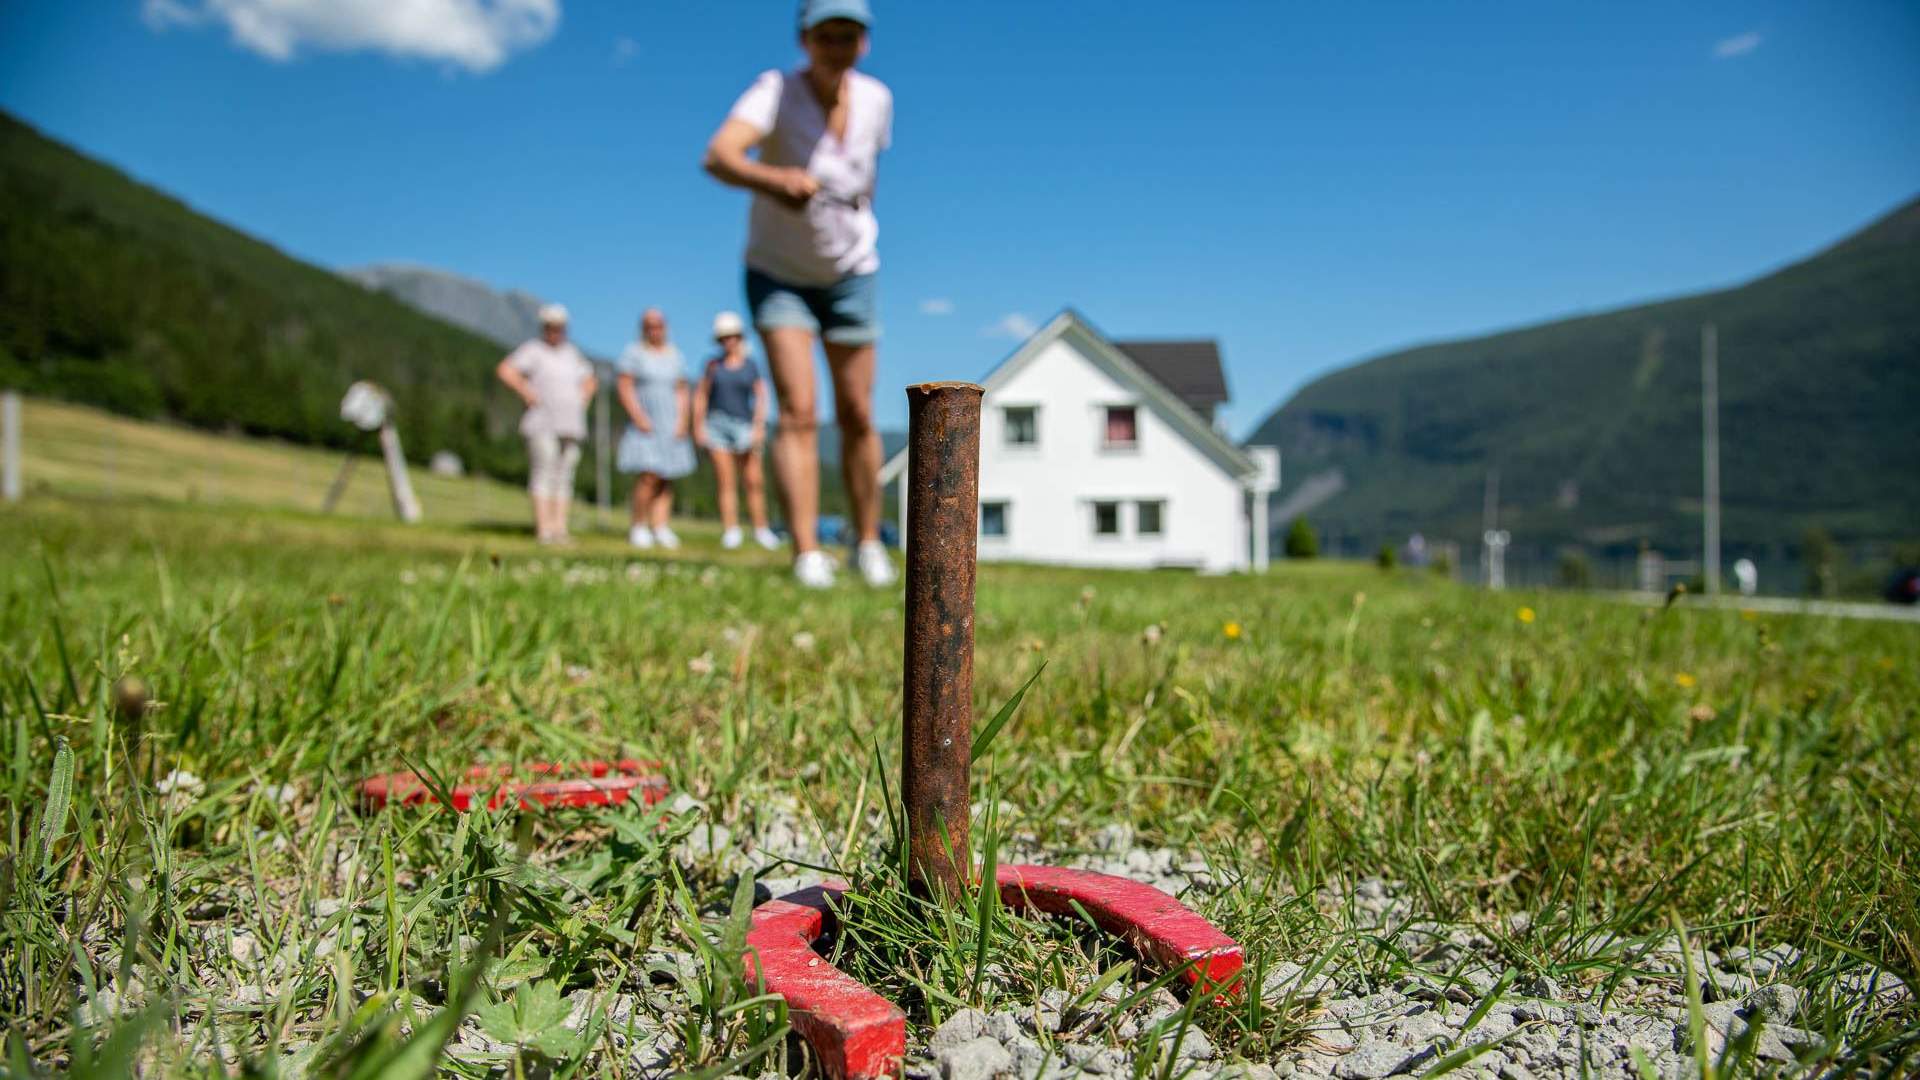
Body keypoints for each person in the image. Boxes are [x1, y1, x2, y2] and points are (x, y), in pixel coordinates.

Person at [703, 0, 896, 589]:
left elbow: (868, 177)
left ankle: (866, 541)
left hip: (851, 270)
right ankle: (807, 551)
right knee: (798, 410)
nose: (837, 45)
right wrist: (774, 178)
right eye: (825, 35)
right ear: (805, 39)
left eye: (848, 35)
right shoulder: (774, 91)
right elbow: (720, 156)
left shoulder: (878, 100)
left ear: (862, 42)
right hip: (778, 271)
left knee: (858, 412)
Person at [496, 304, 595, 545]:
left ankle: (559, 528)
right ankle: (544, 529)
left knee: (565, 476)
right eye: (551, 327)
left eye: (559, 327)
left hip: (570, 424)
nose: (556, 331)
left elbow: (590, 379)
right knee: (544, 471)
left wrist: (583, 399)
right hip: (543, 421)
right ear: (544, 327)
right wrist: (526, 391)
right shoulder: (533, 350)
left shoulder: (572, 353)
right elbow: (506, 370)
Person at [693, 311, 780, 551]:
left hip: (744, 425)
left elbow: (762, 396)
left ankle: (761, 529)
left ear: (739, 337)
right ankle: (731, 530)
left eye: (732, 336)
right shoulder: (712, 365)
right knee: (726, 481)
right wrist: (698, 425)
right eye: (723, 338)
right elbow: (701, 395)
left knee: (753, 480)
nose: (728, 341)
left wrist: (759, 426)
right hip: (716, 425)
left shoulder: (751, 365)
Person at [615, 308, 696, 549]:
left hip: (671, 422)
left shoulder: (675, 356)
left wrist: (683, 420)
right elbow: (625, 386)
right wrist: (637, 416)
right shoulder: (634, 353)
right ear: (643, 328)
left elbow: (682, 390)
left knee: (666, 477)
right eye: (649, 325)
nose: (655, 329)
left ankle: (660, 526)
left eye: (658, 325)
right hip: (647, 422)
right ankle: (638, 526)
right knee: (649, 475)